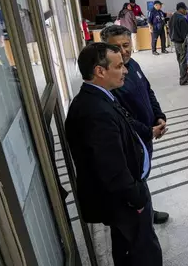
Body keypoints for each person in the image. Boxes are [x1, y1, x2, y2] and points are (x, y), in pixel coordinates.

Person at [65, 43, 162, 266]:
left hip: (125, 194)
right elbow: (111, 168)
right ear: (100, 71)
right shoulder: (95, 112)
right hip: (123, 200)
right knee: (143, 250)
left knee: (127, 245)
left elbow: (125, 125)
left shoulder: (101, 97)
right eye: (118, 66)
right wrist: (137, 198)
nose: (125, 71)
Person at [100, 25, 170, 224]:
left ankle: (145, 210)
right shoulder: (110, 79)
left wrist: (159, 115)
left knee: (142, 176)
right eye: (117, 48)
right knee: (134, 179)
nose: (124, 51)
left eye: (126, 44)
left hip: (146, 136)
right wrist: (148, 131)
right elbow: (122, 117)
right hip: (132, 140)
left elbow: (148, 91)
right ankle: (140, 217)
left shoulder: (134, 65)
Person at [169, 2, 188, 85]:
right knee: (183, 61)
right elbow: (186, 34)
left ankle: (184, 77)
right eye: (185, 9)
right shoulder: (182, 19)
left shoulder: (172, 17)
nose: (186, 11)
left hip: (175, 42)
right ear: (181, 9)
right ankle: (183, 80)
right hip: (182, 43)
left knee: (180, 60)